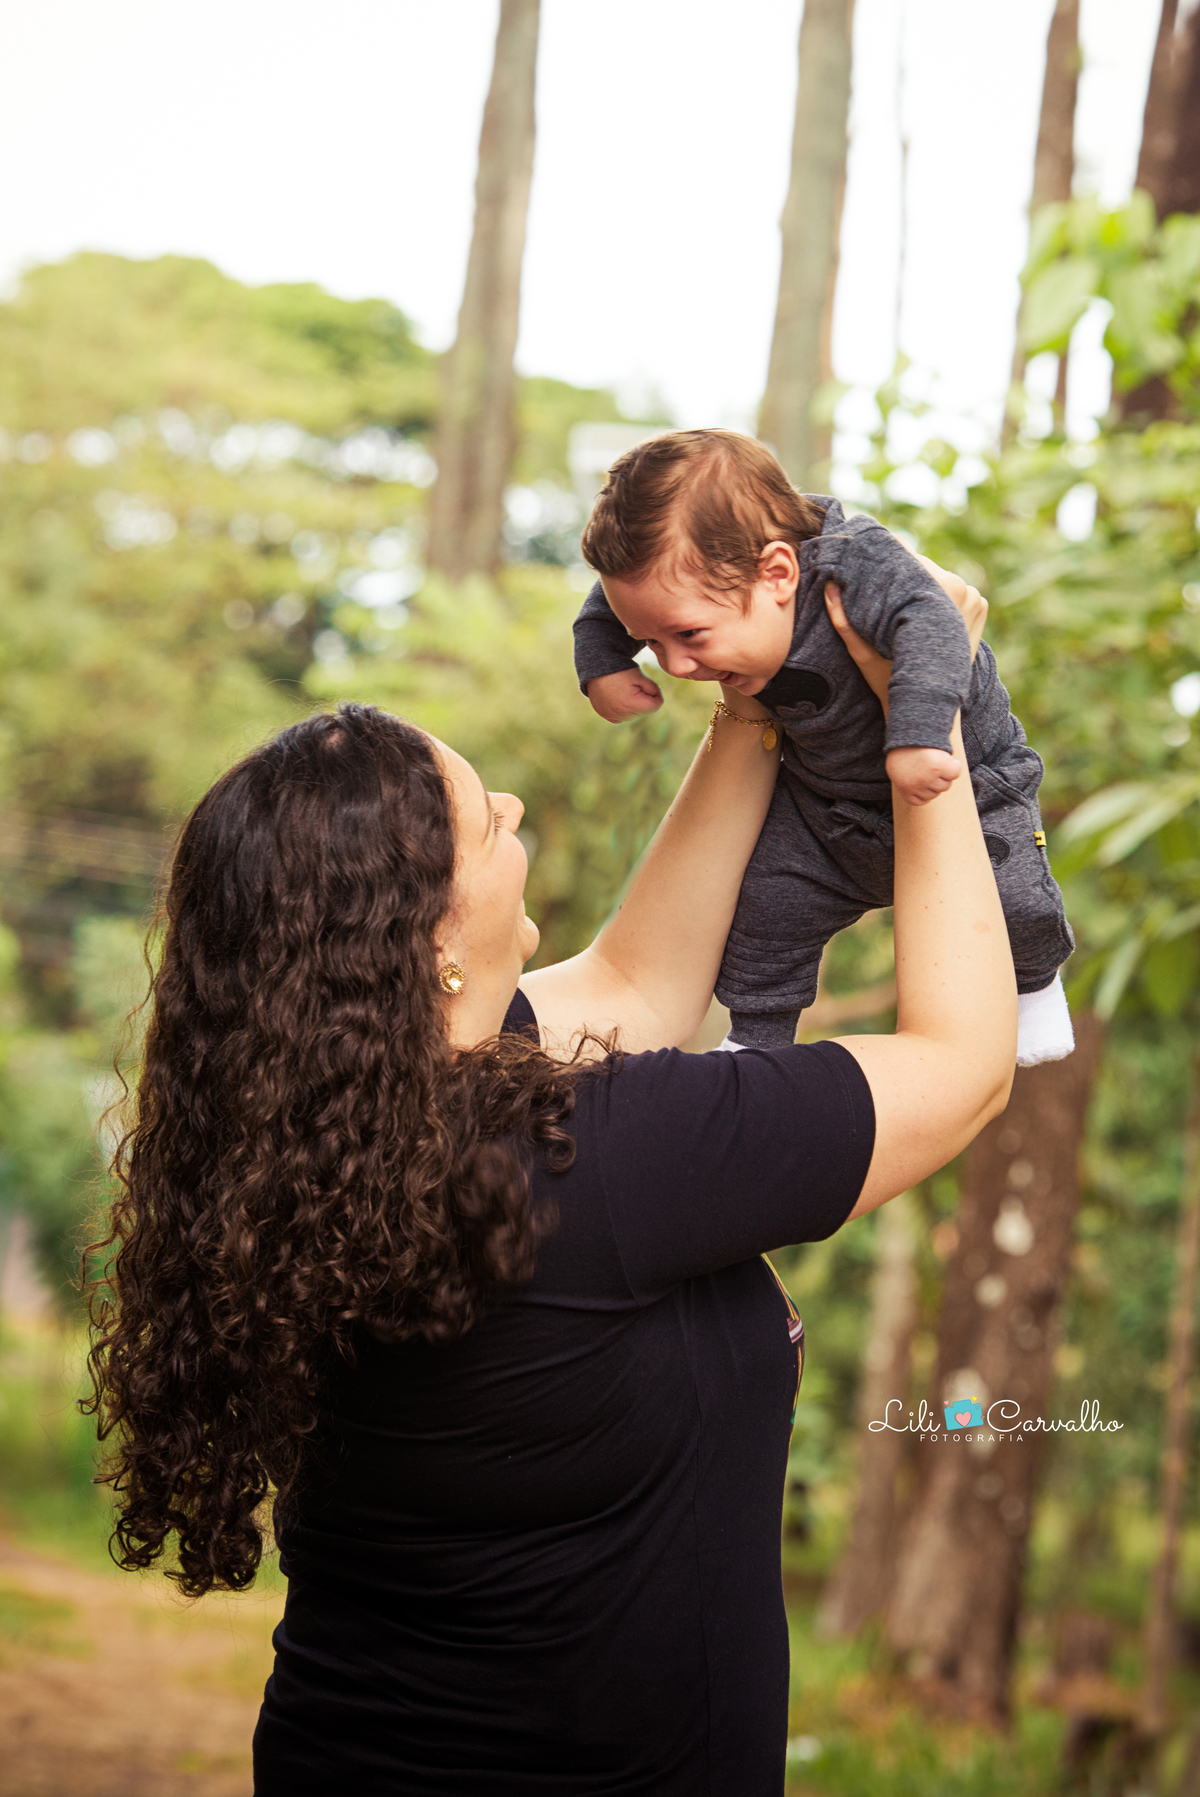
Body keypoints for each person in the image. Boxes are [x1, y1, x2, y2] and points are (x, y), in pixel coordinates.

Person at [86, 571, 1016, 1796]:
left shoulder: (319, 1139)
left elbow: (636, 988)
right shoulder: (601, 1158)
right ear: (426, 937)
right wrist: (924, 715)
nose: (513, 805)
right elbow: (962, 1066)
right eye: (488, 822)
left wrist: (754, 702)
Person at [572, 428, 1073, 1062]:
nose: (674, 664)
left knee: (1017, 899)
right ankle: (756, 1035)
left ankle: (1035, 989)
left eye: (690, 635)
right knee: (764, 908)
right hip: (824, 808)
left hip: (966, 786)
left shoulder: (856, 564)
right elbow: (608, 605)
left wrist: (918, 736)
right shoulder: (685, 574)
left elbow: (936, 621)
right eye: (652, 642)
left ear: (778, 572)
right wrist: (603, 663)